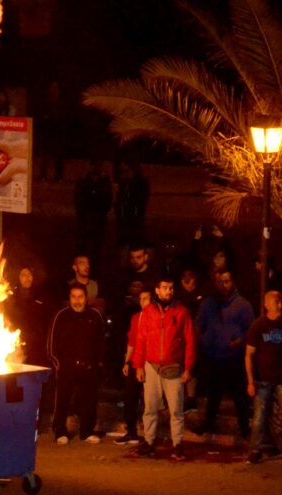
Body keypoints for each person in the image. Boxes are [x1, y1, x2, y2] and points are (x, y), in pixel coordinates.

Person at [133, 277, 196, 460]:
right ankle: (149, 441)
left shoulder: (182, 312)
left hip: (173, 366)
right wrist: (138, 365)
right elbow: (141, 339)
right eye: (165, 288)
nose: (169, 291)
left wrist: (188, 367)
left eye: (171, 288)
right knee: (150, 407)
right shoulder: (148, 312)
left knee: (176, 409)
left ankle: (177, 444)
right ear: (157, 290)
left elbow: (190, 341)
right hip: (151, 365)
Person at [195, 270, 254, 440]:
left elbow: (250, 330)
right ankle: (208, 425)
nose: (223, 285)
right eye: (220, 281)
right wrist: (203, 340)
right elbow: (199, 323)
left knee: (239, 397)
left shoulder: (243, 305)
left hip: (234, 358)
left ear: (233, 282)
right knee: (213, 395)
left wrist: (239, 341)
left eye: (226, 281)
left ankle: (244, 429)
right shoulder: (209, 304)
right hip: (213, 356)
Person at [245, 291, 282, 464]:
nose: (279, 304)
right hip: (263, 379)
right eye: (275, 301)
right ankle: (255, 450)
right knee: (259, 416)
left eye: (280, 301)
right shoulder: (258, 325)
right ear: (267, 304)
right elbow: (249, 354)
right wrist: (250, 381)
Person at [48, 285, 106, 444]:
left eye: (80, 297)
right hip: (66, 367)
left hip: (89, 367)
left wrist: (98, 363)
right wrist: (57, 363)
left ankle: (87, 431)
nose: (77, 300)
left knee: (89, 401)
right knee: (62, 401)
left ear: (86, 298)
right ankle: (60, 431)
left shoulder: (95, 315)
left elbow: (101, 341)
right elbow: (52, 343)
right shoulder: (61, 316)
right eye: (74, 296)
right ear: (69, 298)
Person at [116, 289, 151, 446]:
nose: (143, 301)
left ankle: (150, 434)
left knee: (150, 400)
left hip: (150, 363)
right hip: (136, 361)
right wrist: (127, 361)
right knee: (130, 397)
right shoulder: (136, 317)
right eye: (141, 298)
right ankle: (131, 431)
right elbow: (132, 341)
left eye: (146, 298)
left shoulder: (157, 318)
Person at [74, 159, 112, 264]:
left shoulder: (104, 180)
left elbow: (108, 199)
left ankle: (95, 266)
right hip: (86, 217)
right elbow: (78, 199)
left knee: (97, 246)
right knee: (84, 245)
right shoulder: (84, 180)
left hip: (98, 218)